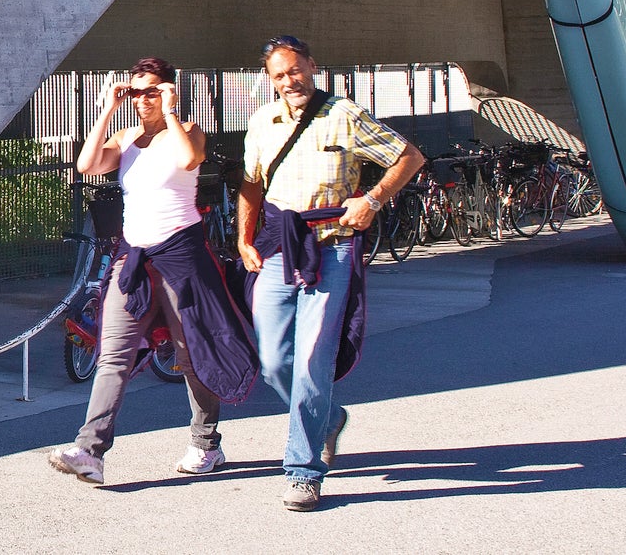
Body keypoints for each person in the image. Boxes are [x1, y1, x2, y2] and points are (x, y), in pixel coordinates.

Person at [236, 34, 424, 510]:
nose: (289, 80)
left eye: (295, 70)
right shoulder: (261, 122)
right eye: (279, 74)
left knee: (312, 358)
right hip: (278, 246)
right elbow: (251, 184)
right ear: (269, 80)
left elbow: (409, 157)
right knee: (274, 361)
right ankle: (329, 418)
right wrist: (243, 239)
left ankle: (303, 471)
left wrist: (373, 199)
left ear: (312, 66)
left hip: (333, 247)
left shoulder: (344, 114)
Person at [49, 56, 254, 487]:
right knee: (113, 353)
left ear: (168, 91)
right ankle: (90, 450)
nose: (143, 100)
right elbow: (87, 164)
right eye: (136, 92)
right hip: (135, 257)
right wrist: (108, 106)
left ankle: (205, 443)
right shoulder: (126, 138)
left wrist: (173, 110)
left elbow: (187, 159)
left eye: (152, 91)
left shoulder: (189, 131)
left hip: (182, 256)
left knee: (191, 353)